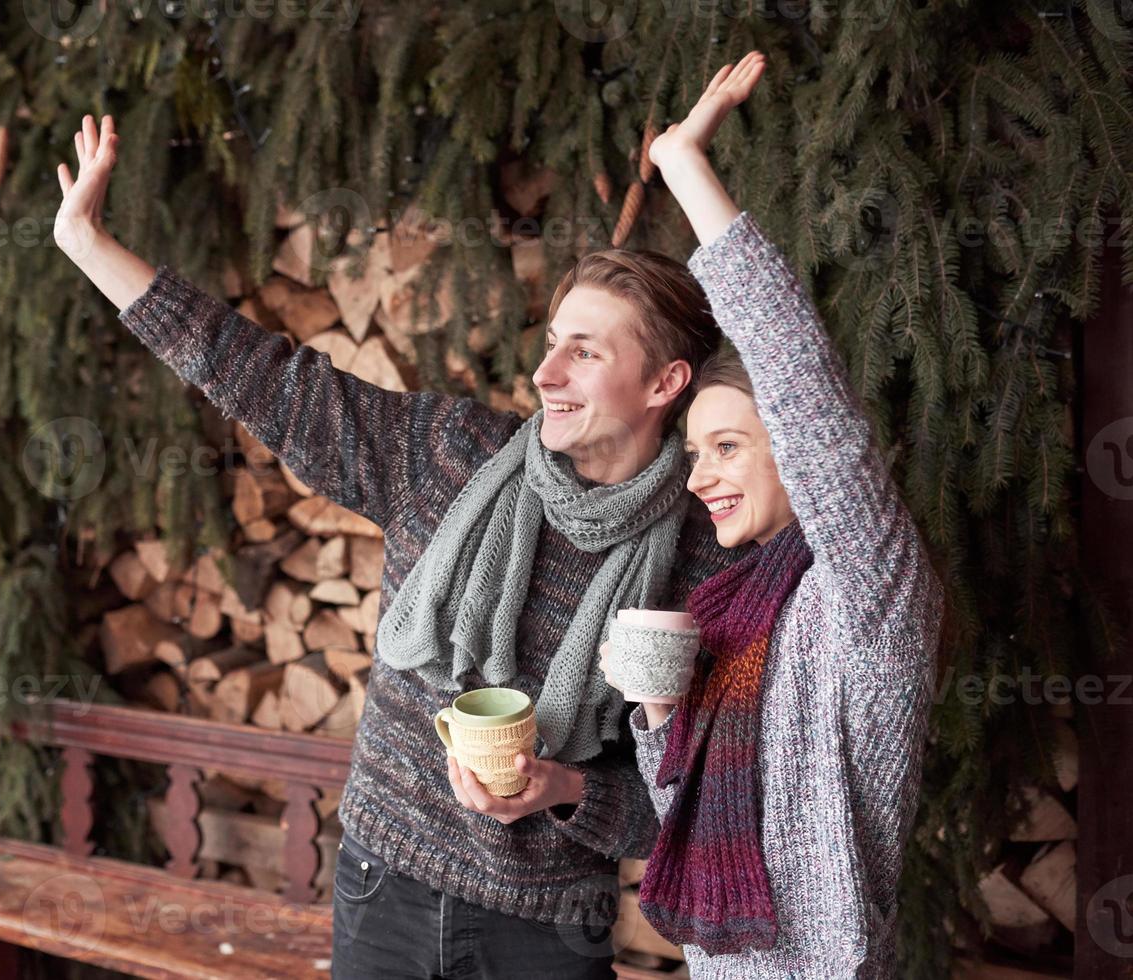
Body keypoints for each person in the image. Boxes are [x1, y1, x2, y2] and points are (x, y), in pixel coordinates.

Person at [54, 113, 744, 978]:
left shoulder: (707, 559)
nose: (545, 374)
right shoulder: (448, 455)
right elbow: (264, 377)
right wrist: (85, 243)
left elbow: (695, 802)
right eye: (549, 344)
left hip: (543, 929)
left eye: (584, 351)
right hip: (383, 886)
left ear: (665, 382)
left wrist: (564, 790)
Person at [600, 51, 944, 978]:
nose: (699, 474)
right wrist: (659, 708)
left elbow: (794, 370)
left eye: (727, 447)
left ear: (797, 448)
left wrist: (684, 170)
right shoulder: (729, 609)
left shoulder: (865, 594)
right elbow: (682, 821)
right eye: (693, 450)